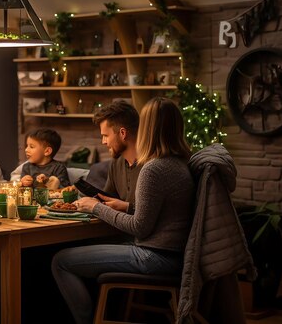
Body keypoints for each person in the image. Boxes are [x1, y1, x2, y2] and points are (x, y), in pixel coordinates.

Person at [52, 97, 194, 324]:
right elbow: (164, 211)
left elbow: (140, 226)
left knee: (61, 260)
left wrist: (97, 207)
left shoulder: (153, 168)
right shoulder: (179, 163)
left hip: (154, 256)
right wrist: (127, 206)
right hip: (175, 255)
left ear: (149, 128)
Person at [79, 100, 141, 214]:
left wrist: (126, 206)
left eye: (105, 136)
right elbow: (107, 199)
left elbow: (150, 214)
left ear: (123, 133)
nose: (103, 142)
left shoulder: (151, 167)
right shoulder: (116, 163)